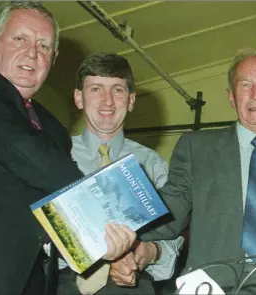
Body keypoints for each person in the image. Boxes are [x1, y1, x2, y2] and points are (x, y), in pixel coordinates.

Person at [0, 3, 136, 295]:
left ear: (53, 59)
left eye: (43, 46)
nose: (32, 53)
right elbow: (32, 158)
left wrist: (103, 246)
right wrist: (101, 220)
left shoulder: (54, 128)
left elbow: (55, 210)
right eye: (20, 39)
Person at [135, 49, 256, 293]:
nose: (255, 94)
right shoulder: (197, 148)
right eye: (245, 85)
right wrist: (117, 224)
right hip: (216, 284)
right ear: (231, 97)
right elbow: (169, 212)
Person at [56, 52, 184, 295]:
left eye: (117, 90)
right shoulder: (55, 154)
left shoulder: (152, 163)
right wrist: (101, 259)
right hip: (67, 285)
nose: (107, 101)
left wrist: (149, 251)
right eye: (95, 89)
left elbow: (173, 235)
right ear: (78, 98)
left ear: (132, 100)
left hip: (134, 286)